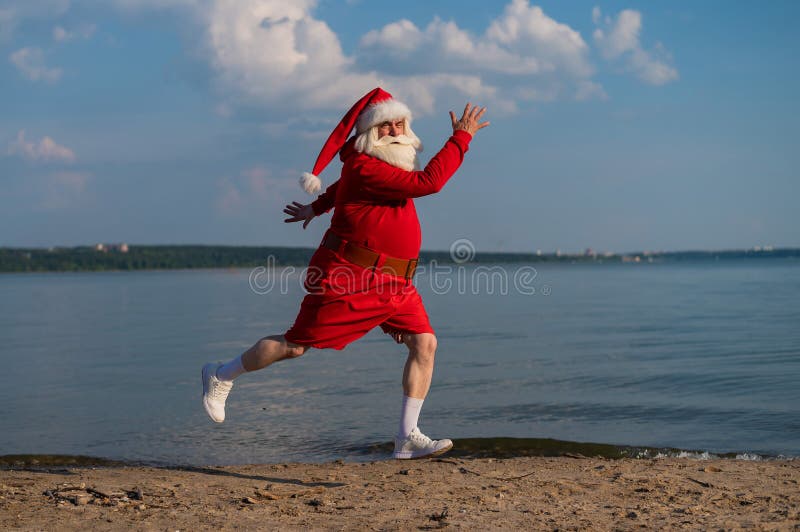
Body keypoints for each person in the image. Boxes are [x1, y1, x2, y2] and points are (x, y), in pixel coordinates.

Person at [202, 87, 489, 459]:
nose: (396, 130)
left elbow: (340, 188)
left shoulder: (375, 167)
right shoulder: (366, 166)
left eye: (401, 122)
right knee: (295, 346)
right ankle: (221, 374)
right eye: (387, 125)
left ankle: (406, 437)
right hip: (348, 275)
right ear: (370, 133)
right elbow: (428, 184)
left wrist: (315, 208)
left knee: (425, 343)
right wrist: (461, 138)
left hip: (395, 282)